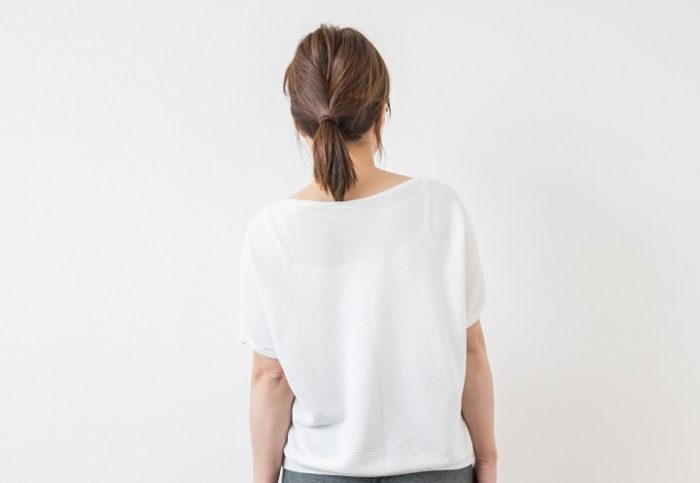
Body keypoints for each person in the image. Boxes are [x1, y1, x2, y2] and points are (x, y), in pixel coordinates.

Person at [240, 24, 497, 483]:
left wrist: (261, 478)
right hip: (436, 468)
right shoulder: (440, 209)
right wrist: (489, 460)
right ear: (381, 113)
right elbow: (471, 348)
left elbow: (271, 377)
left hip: (319, 470)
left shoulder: (270, 232)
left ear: (300, 124)